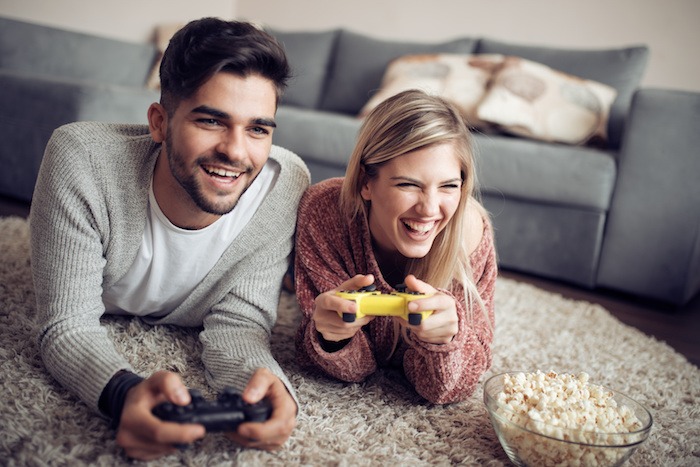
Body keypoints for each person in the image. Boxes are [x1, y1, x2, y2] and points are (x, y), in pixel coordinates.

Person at [29, 18, 309, 460]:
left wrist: (263, 385)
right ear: (160, 122)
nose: (237, 152)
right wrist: (122, 392)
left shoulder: (285, 183)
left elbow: (240, 323)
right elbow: (66, 324)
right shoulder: (81, 159)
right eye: (212, 121)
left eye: (258, 129)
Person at [293, 89, 497, 404]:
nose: (430, 209)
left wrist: (446, 343)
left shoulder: (469, 232)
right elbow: (355, 369)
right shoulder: (325, 214)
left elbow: (445, 389)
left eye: (448, 186)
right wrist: (331, 339)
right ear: (365, 182)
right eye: (408, 184)